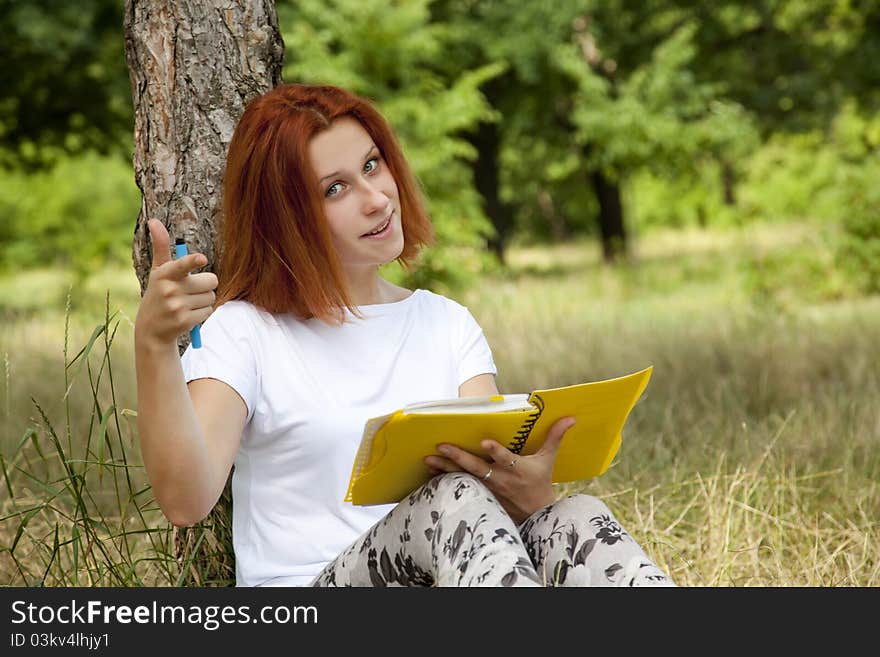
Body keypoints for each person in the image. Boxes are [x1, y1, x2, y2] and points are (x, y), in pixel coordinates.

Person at [134, 82, 674, 587]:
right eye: (336, 188)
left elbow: (491, 510)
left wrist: (529, 494)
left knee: (577, 517)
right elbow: (186, 501)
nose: (376, 198)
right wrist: (155, 346)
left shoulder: (447, 324)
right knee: (450, 496)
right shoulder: (246, 332)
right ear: (286, 216)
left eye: (373, 165)